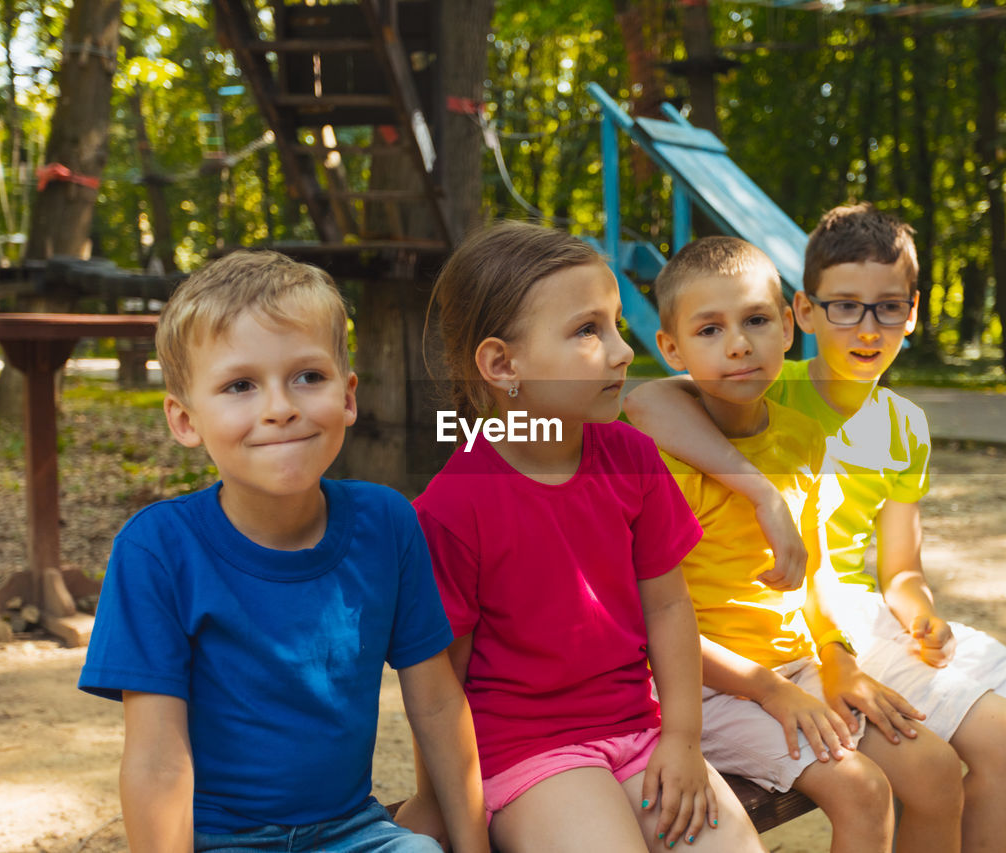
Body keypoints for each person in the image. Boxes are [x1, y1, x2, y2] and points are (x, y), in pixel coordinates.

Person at [625, 205, 1006, 853]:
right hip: (774, 648)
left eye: (887, 307)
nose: (867, 327)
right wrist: (763, 495)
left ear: (912, 312)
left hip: (840, 627)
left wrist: (917, 610)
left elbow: (896, 566)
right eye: (845, 306)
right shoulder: (763, 385)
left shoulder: (887, 424)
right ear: (806, 313)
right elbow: (643, 398)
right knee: (996, 747)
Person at [78, 250, 488, 853]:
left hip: (353, 833)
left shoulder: (387, 524)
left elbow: (436, 706)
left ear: (348, 396)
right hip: (217, 839)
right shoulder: (157, 549)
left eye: (308, 377)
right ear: (185, 419)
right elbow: (158, 761)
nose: (280, 407)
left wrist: (472, 847)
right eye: (240, 386)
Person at [404, 221, 766, 853]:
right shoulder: (454, 504)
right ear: (502, 364)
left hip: (639, 731)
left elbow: (670, 605)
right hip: (526, 753)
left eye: (616, 324)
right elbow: (438, 677)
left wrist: (682, 738)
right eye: (587, 331)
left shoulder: (631, 455)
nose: (622, 350)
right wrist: (442, 807)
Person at [650, 235, 963, 853]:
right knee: (863, 791)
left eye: (757, 321)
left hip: (796, 668)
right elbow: (655, 619)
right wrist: (771, 690)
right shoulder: (662, 460)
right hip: (701, 687)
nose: (739, 343)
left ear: (790, 328)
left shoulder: (801, 436)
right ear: (671, 348)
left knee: (937, 770)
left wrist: (836, 658)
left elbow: (817, 571)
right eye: (709, 330)